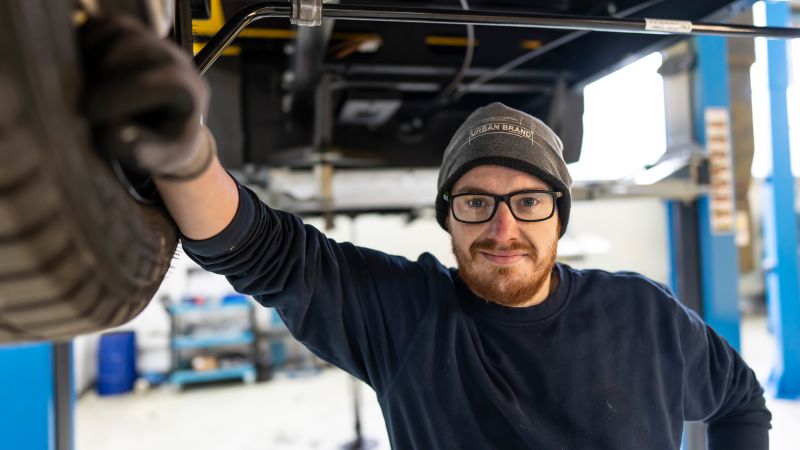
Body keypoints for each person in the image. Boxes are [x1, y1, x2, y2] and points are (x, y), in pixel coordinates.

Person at [81, 16, 771, 450]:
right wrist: (182, 153)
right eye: (475, 202)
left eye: (529, 201)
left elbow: (741, 404)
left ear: (559, 215)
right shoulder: (409, 316)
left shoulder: (644, 315)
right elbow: (262, 250)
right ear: (446, 219)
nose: (502, 227)